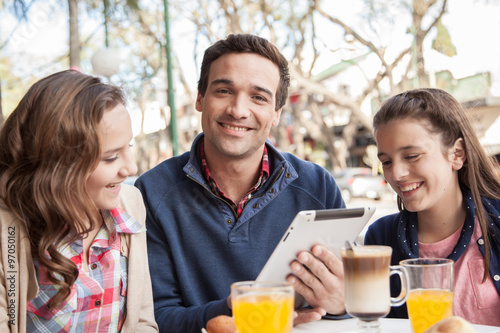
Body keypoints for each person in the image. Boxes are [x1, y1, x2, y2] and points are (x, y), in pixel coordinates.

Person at [135, 33, 347, 332]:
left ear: (276, 114)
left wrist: (341, 305)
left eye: (258, 97)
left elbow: (345, 307)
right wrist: (239, 310)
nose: (238, 109)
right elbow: (155, 315)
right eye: (223, 90)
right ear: (199, 98)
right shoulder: (151, 192)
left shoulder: (317, 186)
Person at [0, 70, 158, 332]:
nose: (130, 168)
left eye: (128, 147)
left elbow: (142, 321)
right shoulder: (7, 228)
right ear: (57, 165)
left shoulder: (131, 203)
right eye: (110, 157)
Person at [364, 88, 500, 326]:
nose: (395, 173)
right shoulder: (380, 238)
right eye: (386, 162)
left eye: (412, 156)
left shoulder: (496, 221)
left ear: (457, 154)